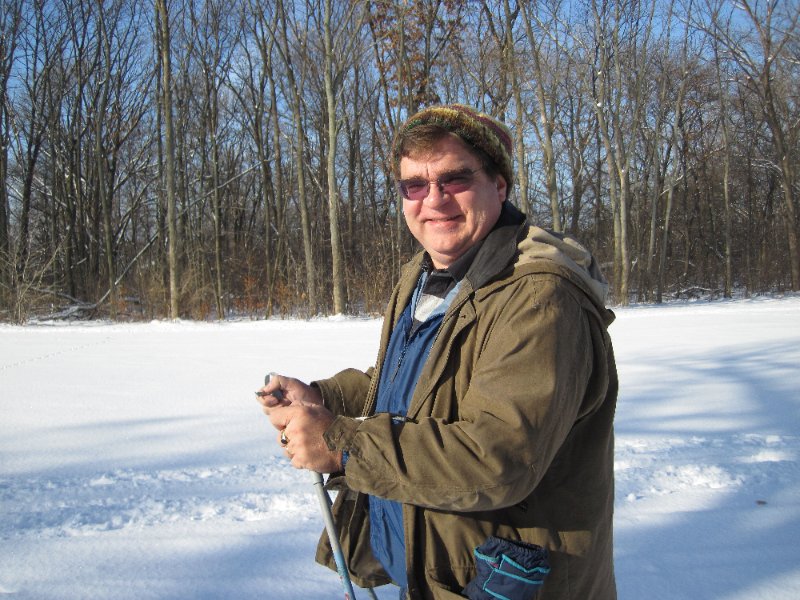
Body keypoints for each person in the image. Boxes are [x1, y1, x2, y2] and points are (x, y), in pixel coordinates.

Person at [257, 104, 618, 600]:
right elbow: (408, 381)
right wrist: (322, 396)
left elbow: (498, 457)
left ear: (500, 186)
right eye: (415, 185)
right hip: (433, 572)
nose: (435, 200)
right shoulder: (425, 274)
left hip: (501, 583)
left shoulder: (538, 298)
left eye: (455, 179)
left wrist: (343, 445)